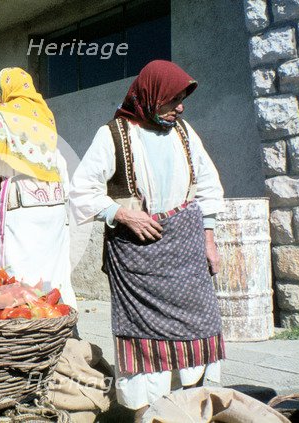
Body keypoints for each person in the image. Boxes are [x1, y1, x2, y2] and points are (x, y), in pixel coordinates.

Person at [69, 60, 225, 417]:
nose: (180, 107)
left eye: (182, 99)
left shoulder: (184, 133)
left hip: (187, 254)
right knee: (144, 342)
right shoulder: (114, 134)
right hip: (137, 259)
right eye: (172, 99)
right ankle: (149, 414)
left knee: (199, 327)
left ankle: (188, 408)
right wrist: (120, 214)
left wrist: (209, 239)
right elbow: (81, 191)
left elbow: (208, 185)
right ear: (151, 96)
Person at [0, 67, 77, 308]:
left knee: (22, 273)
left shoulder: (2, 114)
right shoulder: (45, 116)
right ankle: (62, 325)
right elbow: (59, 161)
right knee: (55, 272)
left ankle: (25, 330)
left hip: (22, 209)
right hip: (54, 206)